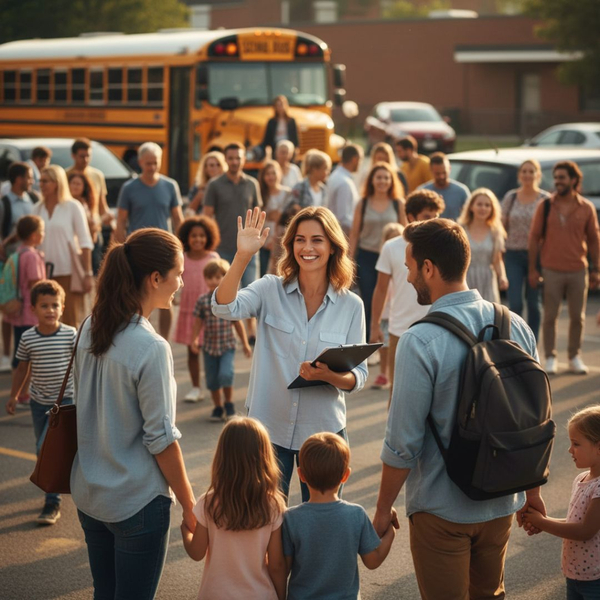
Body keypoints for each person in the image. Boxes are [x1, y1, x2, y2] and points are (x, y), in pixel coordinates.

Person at [373, 218, 544, 600]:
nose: (407, 274)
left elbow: (403, 442)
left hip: (442, 508)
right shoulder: (516, 325)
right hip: (503, 499)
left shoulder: (420, 339)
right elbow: (530, 417)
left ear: (429, 268)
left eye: (410, 266)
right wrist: (531, 492)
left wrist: (383, 508)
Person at [71, 228, 196, 600]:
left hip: (90, 493)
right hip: (136, 502)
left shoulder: (90, 325)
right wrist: (190, 505)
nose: (182, 282)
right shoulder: (150, 347)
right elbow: (160, 440)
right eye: (178, 273)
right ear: (155, 278)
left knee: (104, 594)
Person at [213, 206, 367, 501]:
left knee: (320, 527)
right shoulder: (269, 289)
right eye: (299, 239)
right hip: (268, 433)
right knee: (265, 524)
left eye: (317, 240)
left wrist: (329, 376)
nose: (307, 248)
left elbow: (358, 377)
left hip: (324, 434)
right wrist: (243, 256)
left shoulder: (352, 306)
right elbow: (223, 307)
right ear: (290, 245)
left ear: (333, 246)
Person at [181, 417, 287, 600]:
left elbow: (197, 553)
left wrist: (185, 531)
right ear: (265, 457)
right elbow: (276, 564)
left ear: (222, 457)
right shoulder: (274, 504)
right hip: (259, 594)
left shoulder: (208, 502)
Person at [283, 432, 396, 599]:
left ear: (301, 475)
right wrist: (391, 531)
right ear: (345, 475)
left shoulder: (291, 518)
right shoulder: (356, 515)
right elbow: (373, 560)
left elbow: (282, 567)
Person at [5, 280, 76, 525]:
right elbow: (22, 367)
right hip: (38, 402)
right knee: (42, 447)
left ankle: (52, 501)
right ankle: (58, 486)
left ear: (62, 307)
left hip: (65, 401)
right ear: (33, 309)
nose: (50, 310)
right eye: (44, 305)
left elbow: (81, 368)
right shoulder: (28, 338)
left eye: (55, 305)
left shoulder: (70, 334)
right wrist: (14, 395)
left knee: (43, 448)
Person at [370, 190, 445, 398]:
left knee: (436, 392)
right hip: (399, 331)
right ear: (411, 217)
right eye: (426, 216)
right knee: (398, 393)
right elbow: (381, 288)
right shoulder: (391, 247)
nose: (432, 221)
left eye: (436, 216)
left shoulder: (443, 245)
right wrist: (375, 325)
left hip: (437, 327)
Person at [528, 160, 600, 376]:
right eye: (556, 177)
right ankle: (550, 356)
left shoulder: (586, 207)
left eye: (562, 177)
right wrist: (533, 269)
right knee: (550, 315)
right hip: (551, 269)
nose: (557, 181)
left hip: (579, 269)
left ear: (574, 180)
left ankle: (574, 356)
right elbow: (534, 238)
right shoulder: (546, 205)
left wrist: (596, 269)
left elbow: (594, 240)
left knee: (578, 317)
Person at [523, 405, 600, 599]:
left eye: (576, 444)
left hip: (595, 578)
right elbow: (573, 522)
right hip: (575, 574)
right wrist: (544, 519)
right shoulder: (582, 479)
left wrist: (541, 522)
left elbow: (585, 530)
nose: (569, 449)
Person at [116, 142, 184, 340]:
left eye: (155, 163)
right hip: (139, 250)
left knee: (166, 294)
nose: (152, 167)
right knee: (137, 295)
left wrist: (182, 247)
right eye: (148, 164)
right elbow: (120, 221)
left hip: (165, 250)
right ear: (140, 163)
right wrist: (121, 248)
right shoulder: (129, 188)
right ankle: (134, 336)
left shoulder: (170, 186)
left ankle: (163, 339)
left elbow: (178, 218)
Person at [349, 162, 406, 341]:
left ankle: (388, 340)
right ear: (372, 180)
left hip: (392, 257)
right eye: (379, 177)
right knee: (368, 298)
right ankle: (368, 340)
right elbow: (354, 233)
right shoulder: (363, 203)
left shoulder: (398, 204)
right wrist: (350, 261)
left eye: (386, 177)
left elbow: (405, 232)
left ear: (392, 181)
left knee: (391, 300)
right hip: (367, 256)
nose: (382, 181)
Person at [33, 165, 93, 328]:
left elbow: (85, 241)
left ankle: (71, 354)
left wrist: (88, 273)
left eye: (46, 181)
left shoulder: (73, 206)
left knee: (69, 319)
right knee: (44, 320)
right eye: (40, 181)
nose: (41, 185)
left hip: (67, 272)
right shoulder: (37, 208)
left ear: (57, 183)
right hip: (41, 273)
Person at [191, 259, 251, 422]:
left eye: (218, 277)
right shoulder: (203, 300)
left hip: (226, 346)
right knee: (212, 379)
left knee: (225, 374)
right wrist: (194, 339)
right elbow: (198, 322)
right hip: (209, 347)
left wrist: (245, 343)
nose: (214, 281)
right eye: (210, 277)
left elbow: (237, 323)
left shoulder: (229, 300)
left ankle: (229, 404)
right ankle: (218, 407)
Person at [501, 159, 550, 341]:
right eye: (524, 171)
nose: (527, 175)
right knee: (515, 302)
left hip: (536, 256)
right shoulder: (511, 197)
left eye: (531, 171)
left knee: (534, 303)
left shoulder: (545, 199)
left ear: (538, 175)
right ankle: (516, 342)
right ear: (519, 175)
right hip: (513, 254)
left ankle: (532, 344)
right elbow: (502, 226)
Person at [173, 216, 220, 403]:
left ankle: (215, 386)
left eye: (202, 235)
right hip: (189, 310)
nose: (198, 239)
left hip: (209, 312)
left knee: (211, 351)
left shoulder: (213, 258)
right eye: (194, 236)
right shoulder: (182, 258)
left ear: (208, 237)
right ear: (186, 237)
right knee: (192, 351)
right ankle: (195, 387)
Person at [202, 142, 262, 290]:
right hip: (223, 248)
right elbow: (207, 218)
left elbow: (258, 215)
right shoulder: (214, 185)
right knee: (225, 293)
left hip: (248, 248)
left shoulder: (252, 184)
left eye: (238, 158)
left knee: (250, 292)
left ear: (244, 159)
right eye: (231, 158)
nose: (235, 161)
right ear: (226, 160)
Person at [0, 162, 36, 372]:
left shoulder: (33, 199)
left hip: (29, 262)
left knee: (27, 308)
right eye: (29, 177)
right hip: (10, 264)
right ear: (18, 179)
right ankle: (7, 353)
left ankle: (24, 353)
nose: (32, 181)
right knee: (9, 308)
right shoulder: (4, 203)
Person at [3, 215, 47, 371]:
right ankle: (22, 392)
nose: (44, 234)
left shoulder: (18, 253)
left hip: (18, 311)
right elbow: (36, 284)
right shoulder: (32, 256)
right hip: (30, 313)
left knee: (19, 352)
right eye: (42, 231)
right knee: (29, 355)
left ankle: (19, 390)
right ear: (34, 235)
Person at [459, 188, 508, 303]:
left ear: (492, 209)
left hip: (487, 279)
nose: (483, 208)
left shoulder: (495, 232)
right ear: (471, 207)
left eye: (487, 205)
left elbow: (497, 260)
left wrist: (502, 277)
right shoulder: (461, 230)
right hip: (465, 279)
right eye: (479, 204)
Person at [370, 222, 403, 390]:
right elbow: (381, 288)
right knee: (384, 346)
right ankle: (383, 373)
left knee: (395, 347)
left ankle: (391, 374)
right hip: (385, 312)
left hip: (397, 311)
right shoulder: (386, 258)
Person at [66, 138, 114, 233]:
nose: (85, 160)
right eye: (82, 156)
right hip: (72, 228)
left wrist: (111, 222)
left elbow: (102, 205)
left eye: (88, 156)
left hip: (93, 229)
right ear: (73, 156)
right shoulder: (65, 175)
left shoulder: (97, 175)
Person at [257, 160, 291, 277]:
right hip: (264, 240)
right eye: (267, 174)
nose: (271, 177)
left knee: (281, 273)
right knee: (262, 274)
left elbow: (284, 217)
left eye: (273, 173)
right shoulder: (260, 194)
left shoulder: (287, 193)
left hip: (282, 238)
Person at [68, 172, 102, 275]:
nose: (75, 186)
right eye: (73, 183)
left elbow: (92, 227)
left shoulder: (86, 204)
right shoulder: (65, 204)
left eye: (78, 184)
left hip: (87, 244)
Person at [418, 152, 469, 221]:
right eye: (437, 174)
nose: (442, 176)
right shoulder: (422, 192)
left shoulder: (461, 192)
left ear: (450, 169)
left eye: (444, 172)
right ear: (431, 171)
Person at [326, 143, 363, 236]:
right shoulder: (344, 183)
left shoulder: (336, 176)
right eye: (360, 160)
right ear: (355, 159)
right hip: (342, 236)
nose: (360, 163)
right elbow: (344, 218)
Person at [186, 151, 227, 215]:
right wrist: (198, 198)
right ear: (205, 168)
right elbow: (188, 212)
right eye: (211, 165)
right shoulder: (198, 187)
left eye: (218, 165)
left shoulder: (228, 186)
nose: (215, 168)